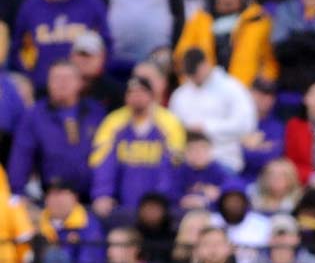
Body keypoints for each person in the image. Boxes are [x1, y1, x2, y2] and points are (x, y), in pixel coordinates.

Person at [10, 0, 110, 92]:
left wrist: (92, 78)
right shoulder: (31, 6)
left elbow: (105, 46)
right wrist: (30, 76)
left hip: (84, 90)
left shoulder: (91, 5)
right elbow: (18, 47)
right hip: (41, 88)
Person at [90, 75, 185, 218]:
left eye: (141, 92)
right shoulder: (113, 122)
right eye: (131, 93)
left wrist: (162, 198)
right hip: (123, 203)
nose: (136, 97)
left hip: (160, 205)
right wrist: (102, 194)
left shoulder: (169, 122)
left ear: (152, 96)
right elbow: (102, 162)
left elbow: (174, 164)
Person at [8, 60, 105, 200]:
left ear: (79, 83)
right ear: (48, 83)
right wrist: (17, 193)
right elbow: (21, 156)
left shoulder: (96, 113)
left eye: (67, 78)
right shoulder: (35, 115)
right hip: (52, 196)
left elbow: (107, 155)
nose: (62, 84)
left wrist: (103, 193)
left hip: (92, 196)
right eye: (56, 78)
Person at [174, 0, 278, 87]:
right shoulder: (199, 19)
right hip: (204, 92)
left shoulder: (259, 19)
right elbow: (182, 57)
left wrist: (260, 89)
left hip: (245, 94)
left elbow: (270, 62)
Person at [169, 48, 257, 173]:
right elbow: (172, 128)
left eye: (196, 73)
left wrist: (207, 127)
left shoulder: (232, 88)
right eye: (190, 74)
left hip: (223, 159)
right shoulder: (180, 94)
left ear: (206, 64)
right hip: (188, 163)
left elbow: (246, 125)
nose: (194, 78)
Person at [39, 177, 106, 263]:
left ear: (74, 197)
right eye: (50, 194)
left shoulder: (88, 225)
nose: (55, 199)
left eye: (61, 193)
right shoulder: (35, 223)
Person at [218, 180, 271, 263]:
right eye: (229, 201)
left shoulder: (262, 224)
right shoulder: (213, 222)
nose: (233, 205)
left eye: (237, 201)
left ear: (246, 202)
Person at [241, 79, 285, 184]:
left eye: (270, 96)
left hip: (267, 181)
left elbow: (273, 156)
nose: (266, 99)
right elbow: (237, 155)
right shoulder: (238, 121)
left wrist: (250, 148)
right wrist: (262, 147)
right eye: (261, 94)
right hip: (239, 177)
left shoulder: (277, 126)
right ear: (250, 94)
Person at [175, 131, 233, 212]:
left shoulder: (218, 169)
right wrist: (183, 199)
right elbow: (170, 192)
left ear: (210, 151)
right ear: (186, 152)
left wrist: (212, 198)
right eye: (194, 150)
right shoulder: (179, 171)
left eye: (203, 149)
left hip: (212, 213)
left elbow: (232, 188)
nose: (199, 154)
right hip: (183, 214)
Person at [70, 31, 125, 112]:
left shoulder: (115, 92)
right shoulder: (59, 87)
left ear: (102, 57)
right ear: (71, 57)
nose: (85, 60)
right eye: (81, 54)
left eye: (90, 55)